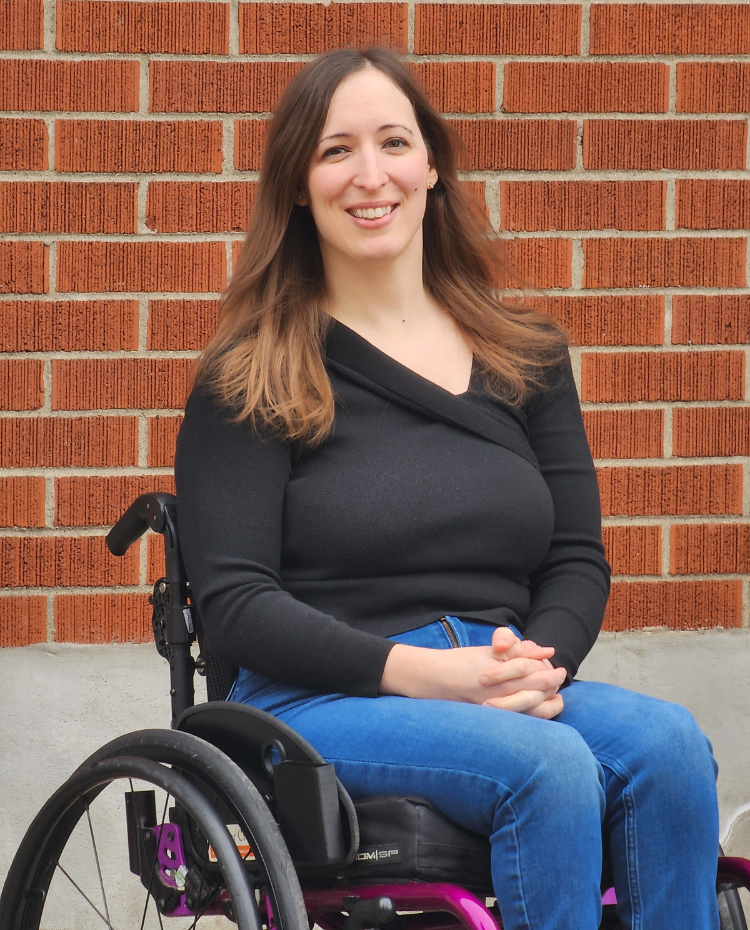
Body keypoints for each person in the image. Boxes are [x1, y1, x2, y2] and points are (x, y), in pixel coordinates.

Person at [174, 47, 720, 930]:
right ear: (299, 185)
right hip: (319, 705)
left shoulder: (526, 355)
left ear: (432, 163)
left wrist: (535, 668)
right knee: (542, 765)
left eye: (393, 142)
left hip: (497, 674)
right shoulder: (253, 376)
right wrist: (428, 675)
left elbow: (577, 556)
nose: (370, 175)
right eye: (335, 150)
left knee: (667, 746)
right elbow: (236, 607)